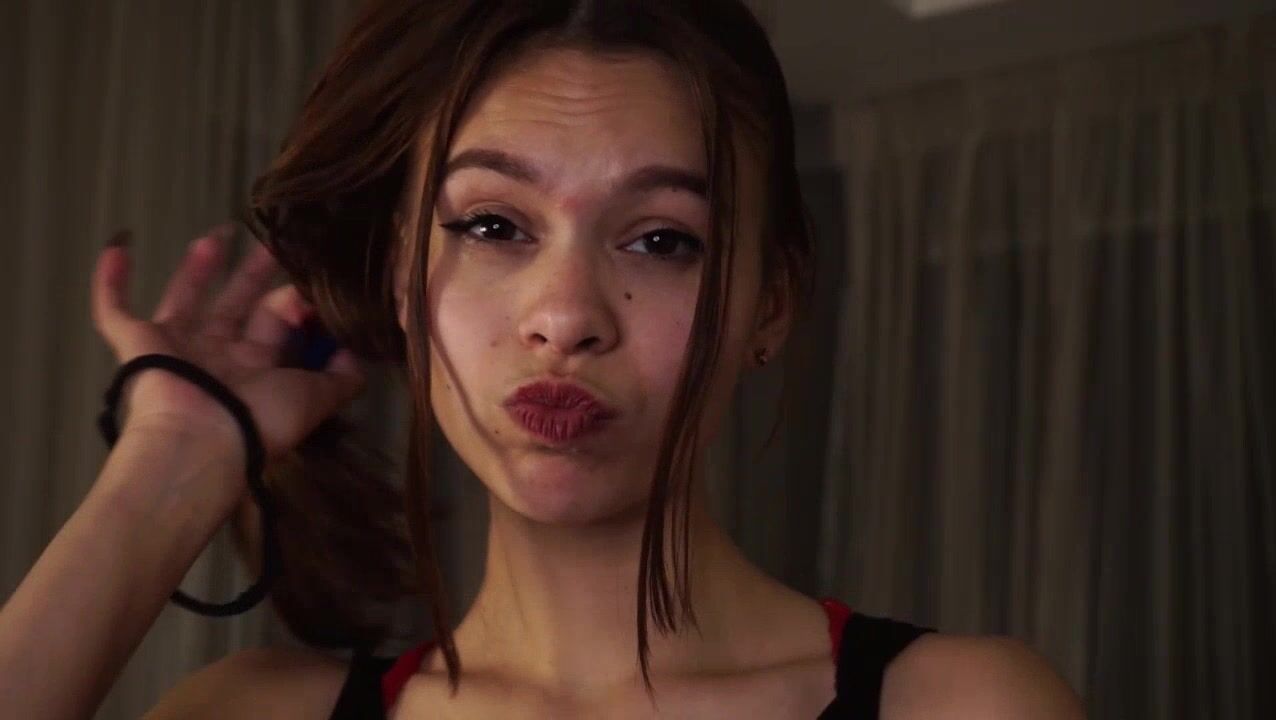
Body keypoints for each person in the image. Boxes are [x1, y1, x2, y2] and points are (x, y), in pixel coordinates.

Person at [0, 1, 1087, 717]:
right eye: (492, 225)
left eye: (660, 240)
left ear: (770, 303)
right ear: (399, 276)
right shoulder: (251, 714)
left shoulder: (961, 706)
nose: (564, 316)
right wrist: (175, 459)